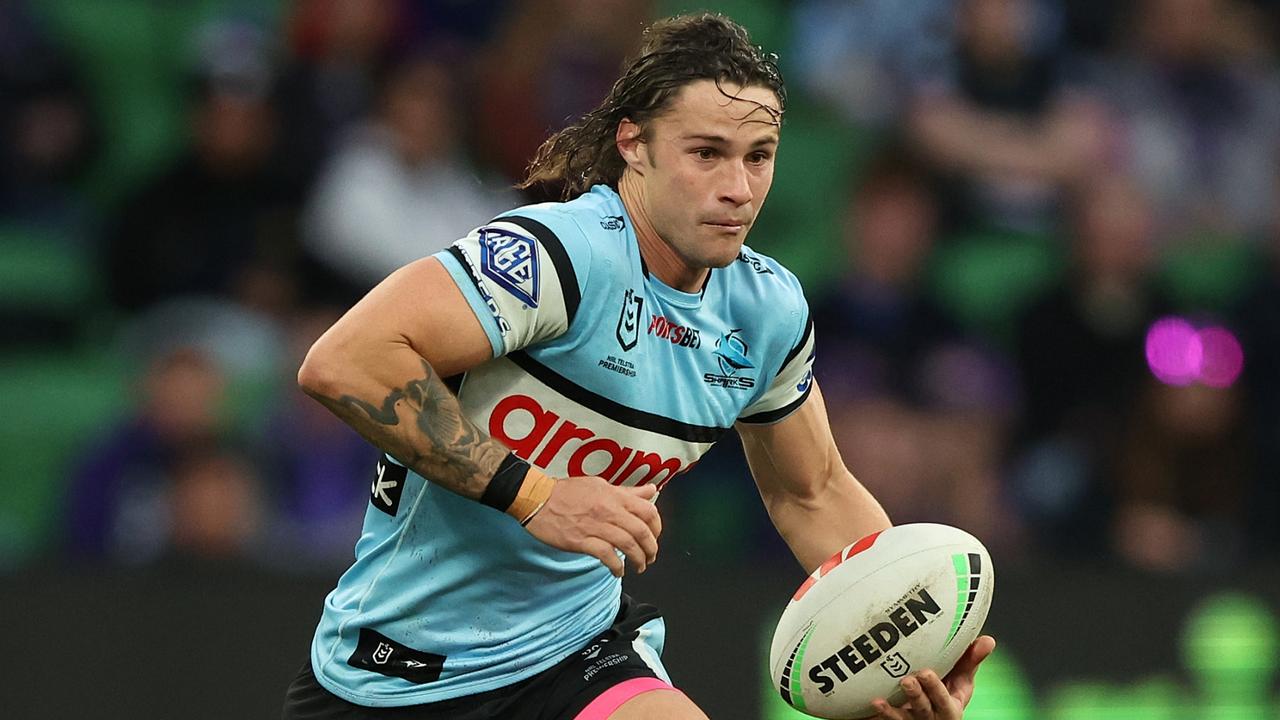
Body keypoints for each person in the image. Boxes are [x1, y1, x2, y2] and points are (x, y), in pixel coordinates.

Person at [284, 14, 994, 720]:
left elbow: (811, 495)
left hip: (575, 650)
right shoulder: (560, 255)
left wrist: (908, 657)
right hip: (395, 668)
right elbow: (346, 362)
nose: (739, 188)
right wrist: (536, 494)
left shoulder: (765, 309)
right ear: (635, 144)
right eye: (707, 153)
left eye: (759, 155)